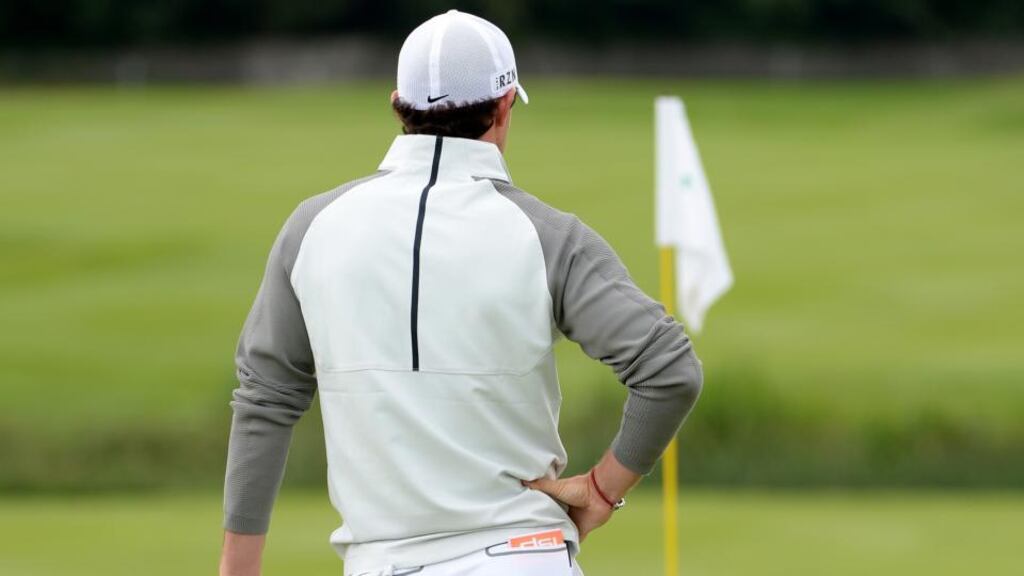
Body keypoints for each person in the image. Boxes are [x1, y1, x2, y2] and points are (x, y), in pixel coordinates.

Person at [219, 9, 702, 576]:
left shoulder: (311, 227)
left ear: (397, 104)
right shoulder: (549, 237)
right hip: (524, 559)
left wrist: (237, 569)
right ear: (503, 108)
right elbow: (671, 370)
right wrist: (602, 489)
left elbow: (265, 400)